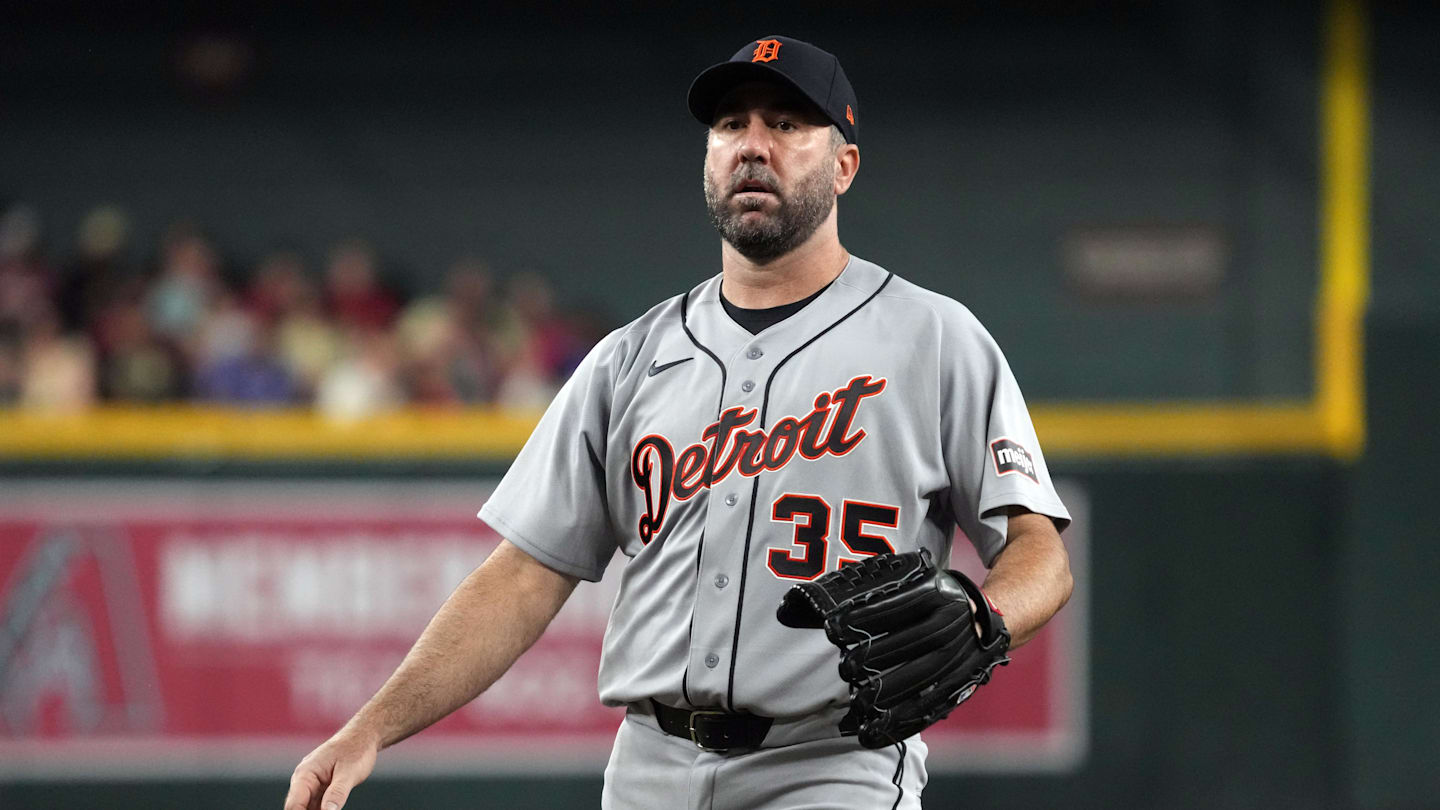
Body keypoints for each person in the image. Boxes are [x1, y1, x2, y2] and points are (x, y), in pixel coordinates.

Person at [285, 35, 1073, 810]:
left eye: (787, 125)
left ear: (844, 165)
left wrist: (986, 615)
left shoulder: (933, 338)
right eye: (731, 125)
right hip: (648, 768)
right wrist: (369, 730)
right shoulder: (630, 358)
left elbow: (1040, 552)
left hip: (832, 765)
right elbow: (523, 576)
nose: (752, 146)